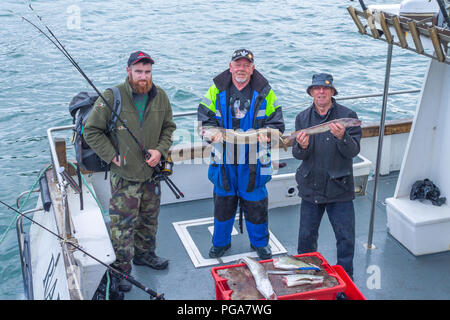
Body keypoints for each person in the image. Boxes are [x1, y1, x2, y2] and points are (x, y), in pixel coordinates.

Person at [83, 51, 176, 292]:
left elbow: (169, 128)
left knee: (149, 219)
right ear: (128, 71)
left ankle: (145, 255)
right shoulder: (111, 96)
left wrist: (160, 150)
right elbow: (91, 130)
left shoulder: (161, 96)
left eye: (147, 72)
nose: (143, 77)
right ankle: (121, 271)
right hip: (124, 178)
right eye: (138, 72)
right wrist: (112, 155)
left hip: (152, 174)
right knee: (122, 226)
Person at [198, 49, 285, 260]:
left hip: (254, 161)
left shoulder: (266, 92)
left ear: (252, 69)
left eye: (246, 65)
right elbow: (204, 120)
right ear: (230, 67)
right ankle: (220, 243)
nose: (241, 69)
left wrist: (269, 135)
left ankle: (260, 243)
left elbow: (278, 124)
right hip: (224, 161)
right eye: (238, 64)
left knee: (256, 205)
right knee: (223, 204)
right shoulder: (215, 91)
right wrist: (210, 134)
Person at [292, 73, 362, 278]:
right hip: (310, 187)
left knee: (346, 239)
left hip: (339, 188)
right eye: (317, 88)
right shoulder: (302, 118)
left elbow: (353, 151)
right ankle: (305, 278)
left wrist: (342, 137)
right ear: (312, 92)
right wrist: (301, 146)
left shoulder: (347, 114)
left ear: (332, 92)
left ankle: (345, 281)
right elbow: (298, 154)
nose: (321, 91)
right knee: (305, 239)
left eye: (326, 88)